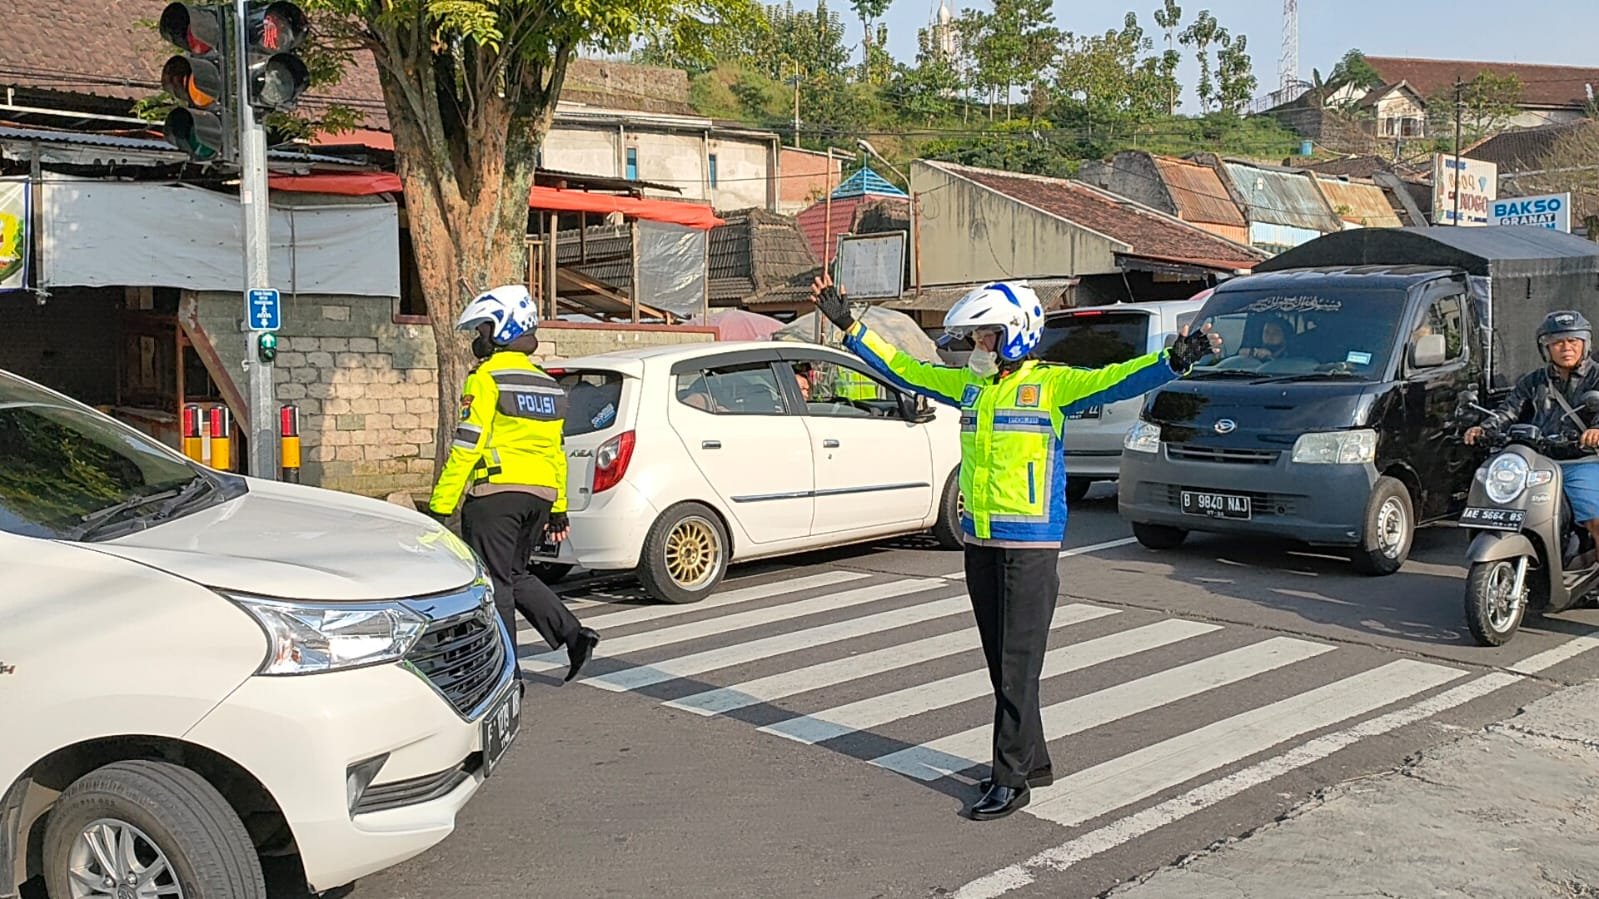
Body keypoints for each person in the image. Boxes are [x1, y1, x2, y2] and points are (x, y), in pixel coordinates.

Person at [809, 274, 1220, 821]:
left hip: (1030, 545)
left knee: (1017, 667)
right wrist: (849, 324)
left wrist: (1175, 359)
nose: (977, 346)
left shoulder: (1051, 385)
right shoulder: (972, 387)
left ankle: (1011, 779)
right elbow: (905, 369)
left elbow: (1118, 379)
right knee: (1002, 662)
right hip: (980, 539)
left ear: (1015, 335)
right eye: (976, 338)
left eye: (986, 336)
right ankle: (1036, 761)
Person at [428, 284, 599, 683]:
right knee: (517, 574)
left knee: (494, 582)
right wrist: (558, 509)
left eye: (482, 329)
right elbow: (556, 451)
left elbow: (467, 447)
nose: (478, 339)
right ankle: (574, 637)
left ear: (500, 331)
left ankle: (507, 673)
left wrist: (440, 505)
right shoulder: (547, 384)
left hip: (496, 497)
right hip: (538, 498)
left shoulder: (486, 378)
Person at [1465, 310, 1599, 549]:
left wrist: (1595, 431)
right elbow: (1509, 411)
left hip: (1580, 461)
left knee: (1596, 521)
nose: (1566, 348)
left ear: (1585, 344)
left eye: (1573, 341)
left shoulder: (1596, 377)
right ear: (1546, 348)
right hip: (1535, 462)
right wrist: (1484, 428)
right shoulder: (1533, 380)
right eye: (1557, 342)